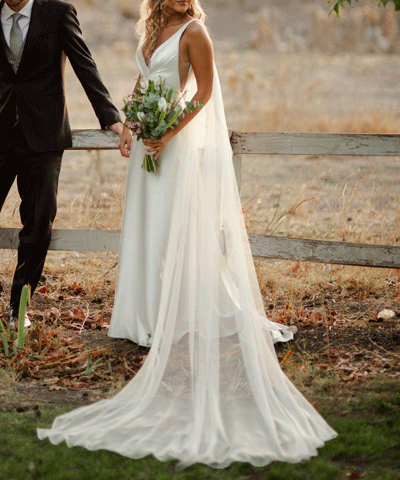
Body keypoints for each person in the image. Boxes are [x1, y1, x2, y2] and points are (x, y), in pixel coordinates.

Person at [38, 0, 336, 468]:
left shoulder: (195, 32)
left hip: (172, 147)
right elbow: (142, 84)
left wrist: (167, 134)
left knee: (169, 226)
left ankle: (176, 312)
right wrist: (129, 126)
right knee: (144, 226)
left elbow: (203, 95)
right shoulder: (151, 27)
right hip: (145, 146)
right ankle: (144, 313)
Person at [0, 0, 122, 328]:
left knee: (38, 223)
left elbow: (85, 65)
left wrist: (110, 118)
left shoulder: (57, 13)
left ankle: (17, 308)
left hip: (43, 136)